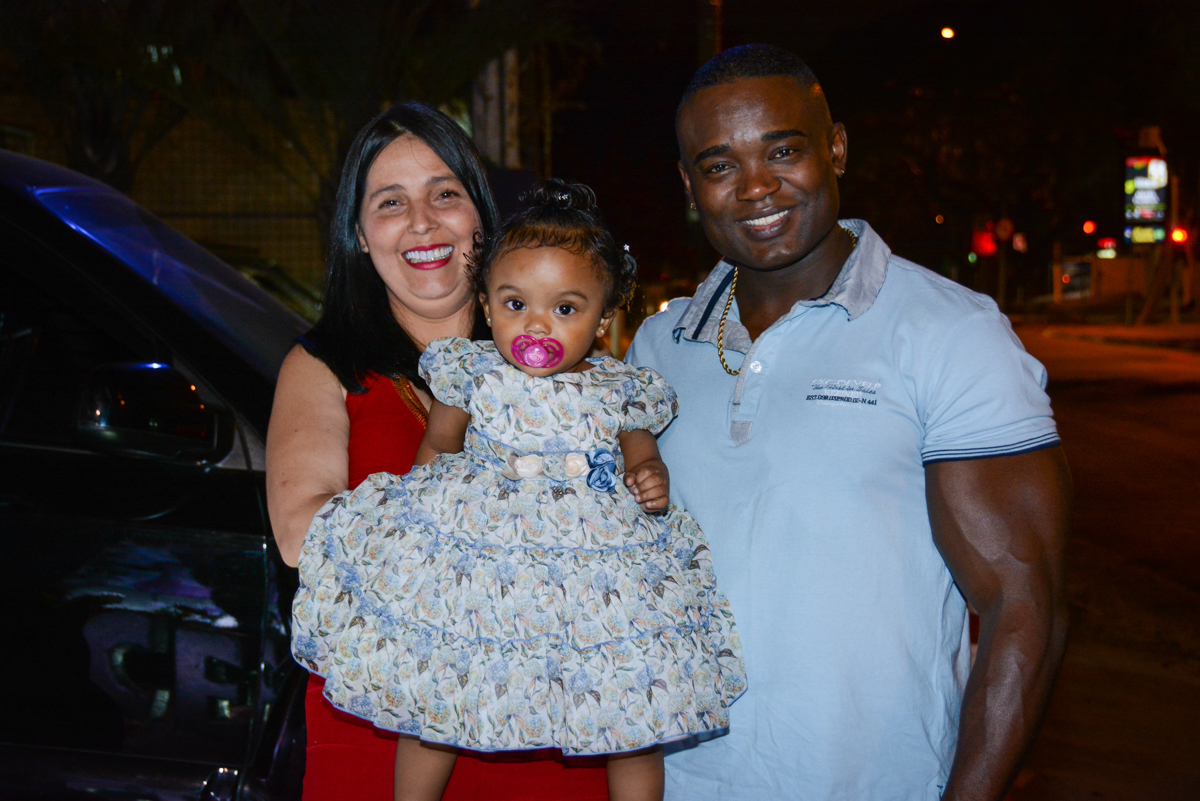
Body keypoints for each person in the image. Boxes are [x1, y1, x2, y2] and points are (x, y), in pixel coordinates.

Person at [625, 45, 1072, 801]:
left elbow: (1024, 607)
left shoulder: (949, 332)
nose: (757, 187)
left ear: (835, 148)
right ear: (689, 185)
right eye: (719, 165)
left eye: (784, 150)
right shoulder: (655, 349)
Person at [291, 180, 746, 801]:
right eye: (514, 304)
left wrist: (649, 477)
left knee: (633, 711)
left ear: (604, 315)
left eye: (565, 308)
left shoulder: (618, 388)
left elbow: (641, 449)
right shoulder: (470, 374)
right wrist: (420, 522)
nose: (537, 324)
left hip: (595, 571)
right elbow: (437, 451)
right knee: (440, 690)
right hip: (484, 555)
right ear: (485, 304)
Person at [266, 104, 609, 800]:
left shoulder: (560, 366)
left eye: (444, 194)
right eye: (390, 202)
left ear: (480, 218)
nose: (422, 222)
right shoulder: (323, 365)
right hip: (383, 738)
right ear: (360, 235)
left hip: (546, 735)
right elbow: (305, 534)